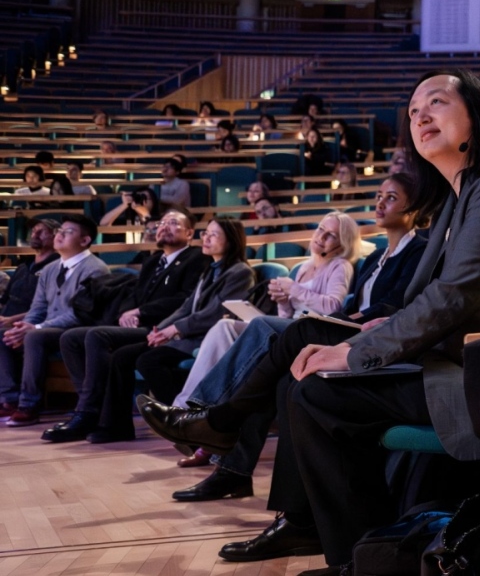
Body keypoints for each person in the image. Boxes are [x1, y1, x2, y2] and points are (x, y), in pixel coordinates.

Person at [142, 69, 480, 570]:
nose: (421, 117)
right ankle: (326, 533)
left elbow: (454, 297)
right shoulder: (456, 199)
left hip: (475, 376)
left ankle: (346, 549)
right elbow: (438, 299)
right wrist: (379, 329)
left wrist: (355, 352)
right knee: (302, 366)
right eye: (413, 111)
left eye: (436, 103)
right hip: (443, 358)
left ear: (477, 116)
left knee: (312, 386)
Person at [170, 174, 428, 497]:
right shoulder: (376, 257)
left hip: (370, 336)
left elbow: (396, 304)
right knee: (274, 376)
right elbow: (353, 306)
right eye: (378, 195)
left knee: (263, 328)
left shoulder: (419, 251)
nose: (380, 203)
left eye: (391, 197)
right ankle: (233, 471)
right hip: (343, 327)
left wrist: (342, 317)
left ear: (414, 208)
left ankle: (206, 414)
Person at [44, 210, 208, 443]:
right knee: (70, 338)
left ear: (190, 233)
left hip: (161, 328)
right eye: (162, 223)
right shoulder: (153, 260)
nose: (164, 227)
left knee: (97, 335)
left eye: (173, 223)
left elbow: (185, 300)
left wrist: (140, 312)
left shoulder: (197, 259)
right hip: (138, 324)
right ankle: (90, 407)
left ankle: (88, 412)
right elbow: (134, 294)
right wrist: (126, 313)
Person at [90, 219, 253, 443]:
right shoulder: (210, 270)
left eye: (214, 235)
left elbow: (216, 312)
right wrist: (162, 329)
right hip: (186, 336)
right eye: (205, 233)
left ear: (232, 241)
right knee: (121, 356)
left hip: (205, 338)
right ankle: (115, 427)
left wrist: (174, 330)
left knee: (148, 361)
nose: (206, 238)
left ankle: (182, 422)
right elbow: (186, 307)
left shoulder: (240, 272)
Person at [0, 215, 110, 427]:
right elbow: (38, 307)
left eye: (68, 232)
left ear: (85, 240)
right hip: (48, 328)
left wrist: (35, 327)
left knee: (34, 337)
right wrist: (23, 326)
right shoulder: (50, 269)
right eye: (59, 231)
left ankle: (28, 405)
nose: (60, 235)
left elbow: (80, 313)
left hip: (78, 328)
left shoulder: (95, 268)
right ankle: (9, 399)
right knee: (3, 334)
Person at [0, 220, 60, 417]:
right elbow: (5, 300)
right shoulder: (23, 266)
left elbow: (49, 307)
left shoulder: (56, 267)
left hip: (33, 323)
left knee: (2, 335)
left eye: (42, 232)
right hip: (7, 319)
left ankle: (9, 399)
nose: (35, 235)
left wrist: (10, 319)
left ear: (56, 236)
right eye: (33, 231)